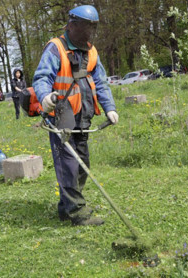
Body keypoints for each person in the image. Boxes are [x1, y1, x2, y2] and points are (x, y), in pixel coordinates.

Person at [33, 5, 118, 226]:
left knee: (82, 165)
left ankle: (67, 205)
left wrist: (110, 107)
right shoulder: (56, 48)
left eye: (92, 29)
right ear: (72, 26)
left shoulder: (91, 51)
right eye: (85, 28)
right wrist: (45, 97)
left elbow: (101, 82)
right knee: (68, 165)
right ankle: (77, 213)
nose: (89, 34)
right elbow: (42, 78)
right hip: (61, 115)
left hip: (84, 116)